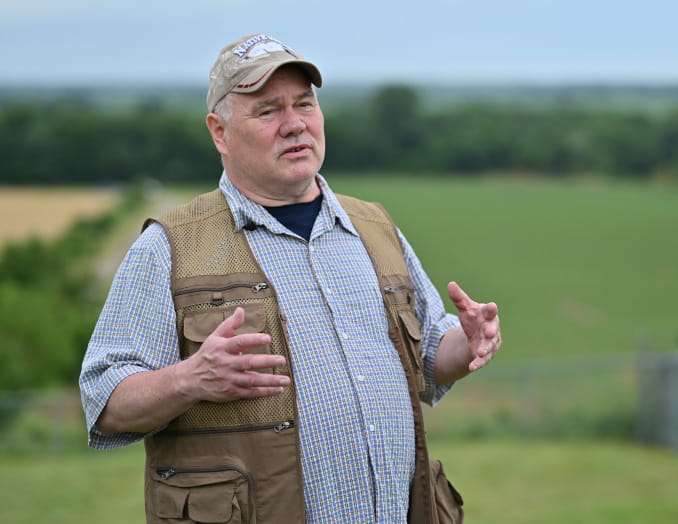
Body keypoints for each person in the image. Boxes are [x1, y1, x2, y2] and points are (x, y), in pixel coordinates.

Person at [79, 33, 501, 524]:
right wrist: (190, 379)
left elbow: (430, 355)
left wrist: (466, 345)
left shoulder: (375, 227)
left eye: (305, 103)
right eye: (268, 111)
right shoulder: (170, 247)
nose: (295, 123)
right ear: (220, 132)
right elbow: (103, 400)